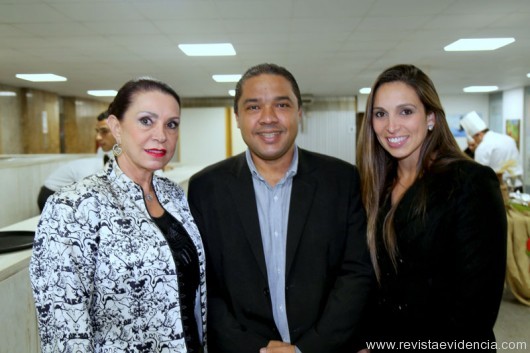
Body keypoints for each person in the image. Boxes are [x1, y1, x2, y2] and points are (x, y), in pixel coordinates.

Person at [187, 63, 373, 353]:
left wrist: (308, 348)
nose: (268, 118)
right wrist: (255, 348)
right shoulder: (206, 188)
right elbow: (204, 285)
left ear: (299, 112)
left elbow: (356, 274)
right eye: (253, 107)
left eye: (282, 105)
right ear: (237, 116)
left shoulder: (342, 180)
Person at [30, 77, 206, 353]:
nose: (161, 135)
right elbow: (63, 327)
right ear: (116, 127)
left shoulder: (173, 195)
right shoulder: (73, 206)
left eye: (171, 124)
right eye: (146, 121)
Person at [356, 64, 507, 351]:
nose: (391, 126)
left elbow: (477, 307)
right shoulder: (377, 186)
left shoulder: (468, 183)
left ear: (431, 118)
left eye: (406, 111)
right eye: (380, 114)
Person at [36, 111, 116, 211]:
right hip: (53, 193)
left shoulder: (113, 153)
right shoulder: (102, 156)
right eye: (97, 131)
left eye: (104, 131)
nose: (98, 137)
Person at [460, 110, 523, 192]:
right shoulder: (508, 139)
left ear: (479, 134)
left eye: (474, 137)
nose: (474, 141)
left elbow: (479, 175)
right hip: (517, 185)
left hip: (498, 188)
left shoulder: (482, 147)